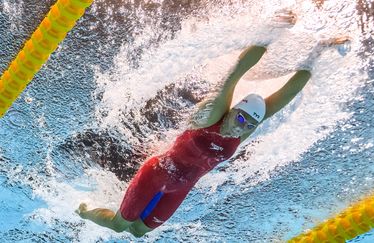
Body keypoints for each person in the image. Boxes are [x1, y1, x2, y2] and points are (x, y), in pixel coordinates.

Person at [75, 23, 349, 237]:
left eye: (251, 125)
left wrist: (318, 53)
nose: (242, 129)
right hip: (156, 174)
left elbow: (285, 94)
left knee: (139, 232)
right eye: (241, 121)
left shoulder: (242, 131)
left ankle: (318, 49)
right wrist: (272, 33)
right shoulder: (213, 117)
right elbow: (236, 73)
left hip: (179, 188)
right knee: (121, 226)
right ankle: (85, 209)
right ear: (234, 111)